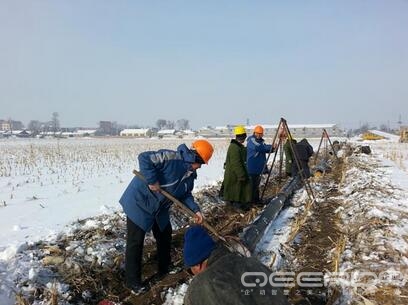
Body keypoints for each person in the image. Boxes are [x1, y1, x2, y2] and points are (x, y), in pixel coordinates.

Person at [119, 139, 214, 294]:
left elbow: (185, 194)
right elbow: (144, 157)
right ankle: (133, 282)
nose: (200, 167)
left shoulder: (190, 174)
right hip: (140, 201)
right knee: (135, 242)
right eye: (201, 163)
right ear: (195, 157)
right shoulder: (171, 157)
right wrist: (152, 180)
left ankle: (165, 267)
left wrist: (196, 210)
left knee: (165, 234)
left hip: (160, 207)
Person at [183, 226, 290, 305]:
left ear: (197, 265)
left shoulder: (196, 290)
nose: (193, 275)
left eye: (190, 270)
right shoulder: (252, 263)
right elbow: (279, 288)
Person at [222, 125, 252, 211]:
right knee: (235, 192)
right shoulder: (234, 148)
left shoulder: (237, 146)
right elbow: (236, 163)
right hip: (234, 174)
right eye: (244, 136)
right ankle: (235, 207)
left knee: (236, 191)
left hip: (235, 173)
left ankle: (237, 205)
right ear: (242, 136)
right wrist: (241, 175)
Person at [246, 125, 274, 203]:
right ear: (254, 133)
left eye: (260, 133)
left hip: (258, 168)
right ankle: (250, 202)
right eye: (257, 133)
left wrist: (273, 148)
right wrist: (271, 147)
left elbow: (265, 148)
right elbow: (259, 148)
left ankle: (256, 201)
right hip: (251, 168)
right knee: (251, 187)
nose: (259, 135)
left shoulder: (261, 142)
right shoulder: (251, 140)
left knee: (256, 186)